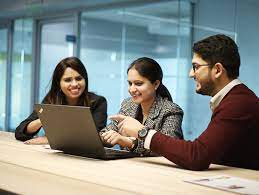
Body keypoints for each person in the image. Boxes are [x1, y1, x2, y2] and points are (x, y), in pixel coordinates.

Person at [110, 34, 259, 170]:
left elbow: (197, 155)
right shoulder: (235, 99)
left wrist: (142, 133)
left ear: (218, 70)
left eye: (196, 67)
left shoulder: (238, 104)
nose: (191, 74)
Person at [101, 57, 183, 155]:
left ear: (156, 84)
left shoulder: (171, 111)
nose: (131, 89)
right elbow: (105, 133)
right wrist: (106, 137)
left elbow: (168, 149)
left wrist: (129, 143)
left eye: (138, 84)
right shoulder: (128, 105)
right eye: (130, 83)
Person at [15, 57, 107, 144]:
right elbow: (20, 132)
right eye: (68, 80)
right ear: (58, 83)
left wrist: (50, 140)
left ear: (85, 79)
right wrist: (43, 120)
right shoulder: (51, 99)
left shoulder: (98, 102)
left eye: (79, 78)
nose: (75, 84)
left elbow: (95, 138)